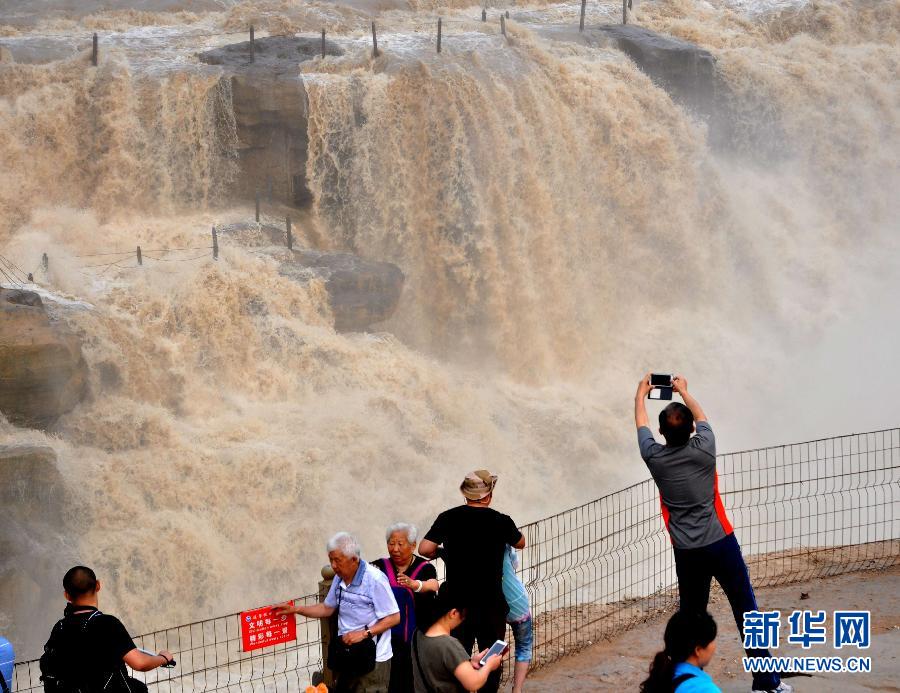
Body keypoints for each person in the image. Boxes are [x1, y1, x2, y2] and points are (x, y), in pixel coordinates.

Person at [634, 374, 791, 693]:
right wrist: (685, 392)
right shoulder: (705, 447)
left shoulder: (654, 458)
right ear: (692, 429)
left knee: (690, 621)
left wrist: (640, 394)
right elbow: (701, 415)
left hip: (687, 554)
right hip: (721, 544)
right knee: (747, 610)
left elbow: (641, 425)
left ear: (662, 433)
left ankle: (680, 682)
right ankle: (766, 682)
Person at [419, 470, 526, 693]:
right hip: (491, 603)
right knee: (491, 656)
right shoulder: (501, 521)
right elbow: (521, 543)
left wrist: (442, 552)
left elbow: (424, 549)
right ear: (488, 495)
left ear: (465, 494)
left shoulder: (448, 517)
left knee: (458, 657)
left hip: (457, 605)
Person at [273, 532, 400, 693]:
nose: (333, 565)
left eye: (337, 560)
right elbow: (327, 608)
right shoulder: (339, 578)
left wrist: (364, 633)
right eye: (330, 560)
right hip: (347, 655)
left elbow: (394, 617)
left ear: (354, 559)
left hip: (373, 658)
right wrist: (296, 609)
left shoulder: (375, 580)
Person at [39, 566, 174, 693]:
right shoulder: (108, 624)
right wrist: (163, 658)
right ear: (98, 585)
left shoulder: (60, 627)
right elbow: (140, 663)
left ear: (67, 595)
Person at [371, 522, 439, 693]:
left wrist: (414, 584)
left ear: (413, 545)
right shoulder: (379, 567)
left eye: (400, 544)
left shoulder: (425, 568)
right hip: (385, 639)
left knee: (412, 682)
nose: (395, 549)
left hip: (416, 640)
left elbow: (433, 585)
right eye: (391, 543)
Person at [411, 583, 504, 693]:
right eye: (464, 615)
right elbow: (473, 683)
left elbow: (439, 667)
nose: (463, 620)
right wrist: (488, 666)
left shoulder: (418, 634)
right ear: (454, 613)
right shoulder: (449, 645)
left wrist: (469, 662)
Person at [640, 610, 721, 692]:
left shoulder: (661, 677)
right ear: (698, 650)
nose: (714, 645)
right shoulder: (706, 689)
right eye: (712, 640)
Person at [501, 546, 532, 693]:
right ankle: (517, 690)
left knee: (492, 646)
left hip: (491, 604)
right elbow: (515, 563)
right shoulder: (504, 540)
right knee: (523, 646)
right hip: (516, 600)